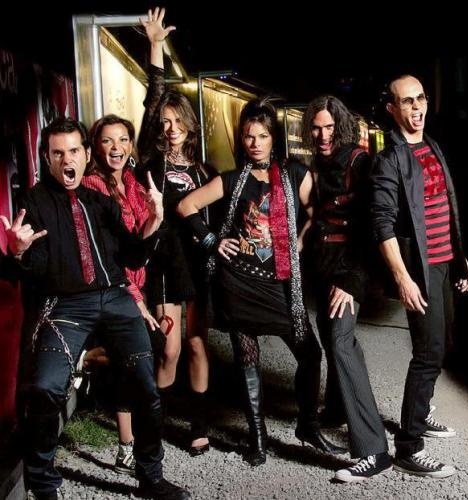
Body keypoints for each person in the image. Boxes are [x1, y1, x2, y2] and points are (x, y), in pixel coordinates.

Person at [0, 117, 189, 500]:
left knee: (146, 388)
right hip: (67, 305)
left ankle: (150, 478)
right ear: (47, 159)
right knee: (45, 388)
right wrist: (17, 253)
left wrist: (154, 220)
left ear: (86, 155)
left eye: (73, 151)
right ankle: (44, 486)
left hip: (116, 297)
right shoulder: (34, 202)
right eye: (57, 153)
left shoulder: (101, 202)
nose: (67, 160)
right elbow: (35, 268)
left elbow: (133, 257)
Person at [177, 96, 346, 466]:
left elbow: (317, 212)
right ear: (242, 139)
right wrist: (212, 240)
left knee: (310, 353)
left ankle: (307, 425)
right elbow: (186, 206)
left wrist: (301, 239)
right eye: (249, 136)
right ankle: (257, 437)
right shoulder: (231, 179)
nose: (255, 143)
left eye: (263, 136)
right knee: (247, 359)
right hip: (238, 282)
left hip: (280, 282)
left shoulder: (294, 174)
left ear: (274, 138)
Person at [371, 74, 468, 478]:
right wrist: (403, 277)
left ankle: (421, 412)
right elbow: (382, 225)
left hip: (445, 264)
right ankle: (409, 447)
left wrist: (461, 260)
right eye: (406, 102)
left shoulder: (431, 144)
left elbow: (445, 209)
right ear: (392, 109)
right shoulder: (389, 160)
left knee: (443, 343)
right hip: (421, 269)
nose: (416, 108)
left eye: (420, 99)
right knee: (427, 353)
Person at [301, 95, 392, 482]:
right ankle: (338, 409)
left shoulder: (359, 161)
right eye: (316, 128)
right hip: (323, 266)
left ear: (341, 127)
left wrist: (351, 282)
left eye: (329, 127)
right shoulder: (318, 163)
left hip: (348, 268)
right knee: (329, 335)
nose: (323, 135)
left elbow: (372, 227)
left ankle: (373, 451)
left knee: (340, 341)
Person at [137, 7, 212, 456]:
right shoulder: (152, 162)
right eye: (164, 122)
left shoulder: (204, 170)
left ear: (188, 124)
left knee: (199, 345)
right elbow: (154, 98)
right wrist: (155, 47)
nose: (170, 128)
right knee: (169, 349)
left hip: (198, 263)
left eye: (176, 121)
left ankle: (199, 425)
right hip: (165, 263)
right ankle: (157, 425)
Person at [81, 114, 160, 475]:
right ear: (95, 148)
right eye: (107, 140)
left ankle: (83, 360)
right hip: (112, 286)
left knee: (135, 357)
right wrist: (136, 300)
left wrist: (156, 215)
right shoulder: (92, 186)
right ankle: (127, 446)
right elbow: (108, 254)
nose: (117, 148)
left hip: (136, 281)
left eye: (123, 140)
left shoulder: (133, 181)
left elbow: (140, 243)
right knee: (129, 359)